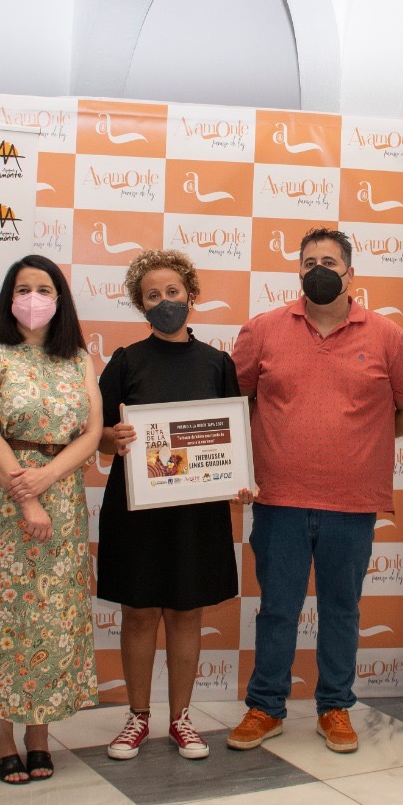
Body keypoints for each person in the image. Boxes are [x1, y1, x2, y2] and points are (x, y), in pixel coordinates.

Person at [226, 227, 403, 754]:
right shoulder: (263, 330)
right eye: (309, 260)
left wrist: (361, 438)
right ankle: (264, 707)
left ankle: (334, 706)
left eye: (330, 261)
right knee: (277, 608)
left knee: (342, 608)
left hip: (352, 503)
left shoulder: (388, 337)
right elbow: (235, 405)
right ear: (298, 270)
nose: (320, 268)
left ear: (350, 274)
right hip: (278, 499)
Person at [0, 255, 103, 784]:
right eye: (24, 288)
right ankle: (0, 737)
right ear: (9, 297)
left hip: (62, 499)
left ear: (61, 300)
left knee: (49, 619)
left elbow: (92, 432)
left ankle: (39, 735)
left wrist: (47, 479)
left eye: (45, 288)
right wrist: (25, 493)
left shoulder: (78, 358)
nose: (34, 298)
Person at [96, 249, 241, 760]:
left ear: (191, 295)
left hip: (196, 510)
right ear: (141, 304)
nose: (164, 302)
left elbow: (233, 438)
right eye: (152, 296)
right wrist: (114, 437)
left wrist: (239, 477)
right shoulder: (125, 361)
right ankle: (137, 718)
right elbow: (99, 440)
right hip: (136, 508)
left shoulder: (218, 364)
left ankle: (182, 719)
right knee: (138, 613)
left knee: (186, 613)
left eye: (172, 293)